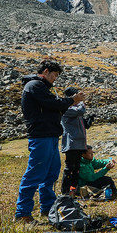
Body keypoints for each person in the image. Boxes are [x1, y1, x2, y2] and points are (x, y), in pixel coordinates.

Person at [15, 59, 84, 223]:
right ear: (45, 72)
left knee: (51, 173)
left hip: (50, 135)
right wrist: (72, 100)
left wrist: (67, 103)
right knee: (35, 173)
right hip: (41, 136)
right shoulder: (34, 86)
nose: (55, 79)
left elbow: (54, 106)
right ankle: (22, 213)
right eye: (54, 75)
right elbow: (52, 104)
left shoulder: (41, 87)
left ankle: (47, 207)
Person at [60, 87, 90, 195]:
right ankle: (65, 191)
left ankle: (74, 189)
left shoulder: (75, 108)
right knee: (70, 167)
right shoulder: (66, 109)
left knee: (77, 168)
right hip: (71, 143)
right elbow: (81, 111)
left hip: (80, 143)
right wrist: (81, 102)